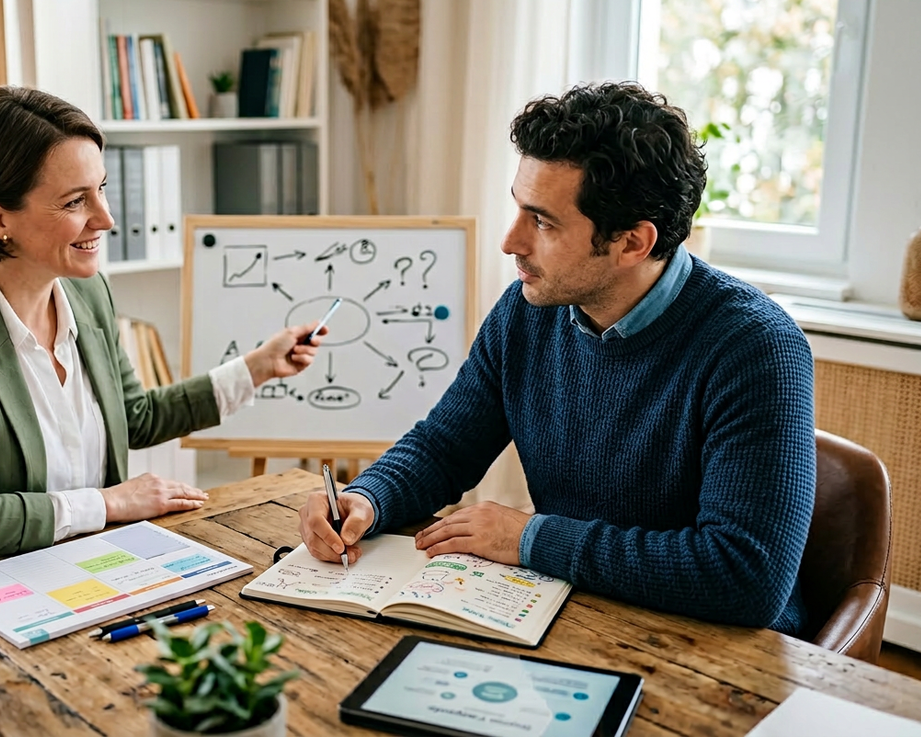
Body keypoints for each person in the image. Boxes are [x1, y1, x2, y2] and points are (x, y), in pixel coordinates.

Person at [297, 82, 816, 634]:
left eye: (542, 222)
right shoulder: (529, 309)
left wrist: (531, 537)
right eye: (518, 208)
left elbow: (745, 576)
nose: (510, 240)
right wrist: (367, 498)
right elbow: (446, 447)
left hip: (715, 651)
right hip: (568, 609)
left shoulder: (756, 347)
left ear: (633, 243)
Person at [0, 86, 323, 566]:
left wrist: (256, 367)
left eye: (102, 189)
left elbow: (135, 416)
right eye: (74, 202)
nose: (106, 219)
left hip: (88, 564)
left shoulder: (87, 293)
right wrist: (109, 503)